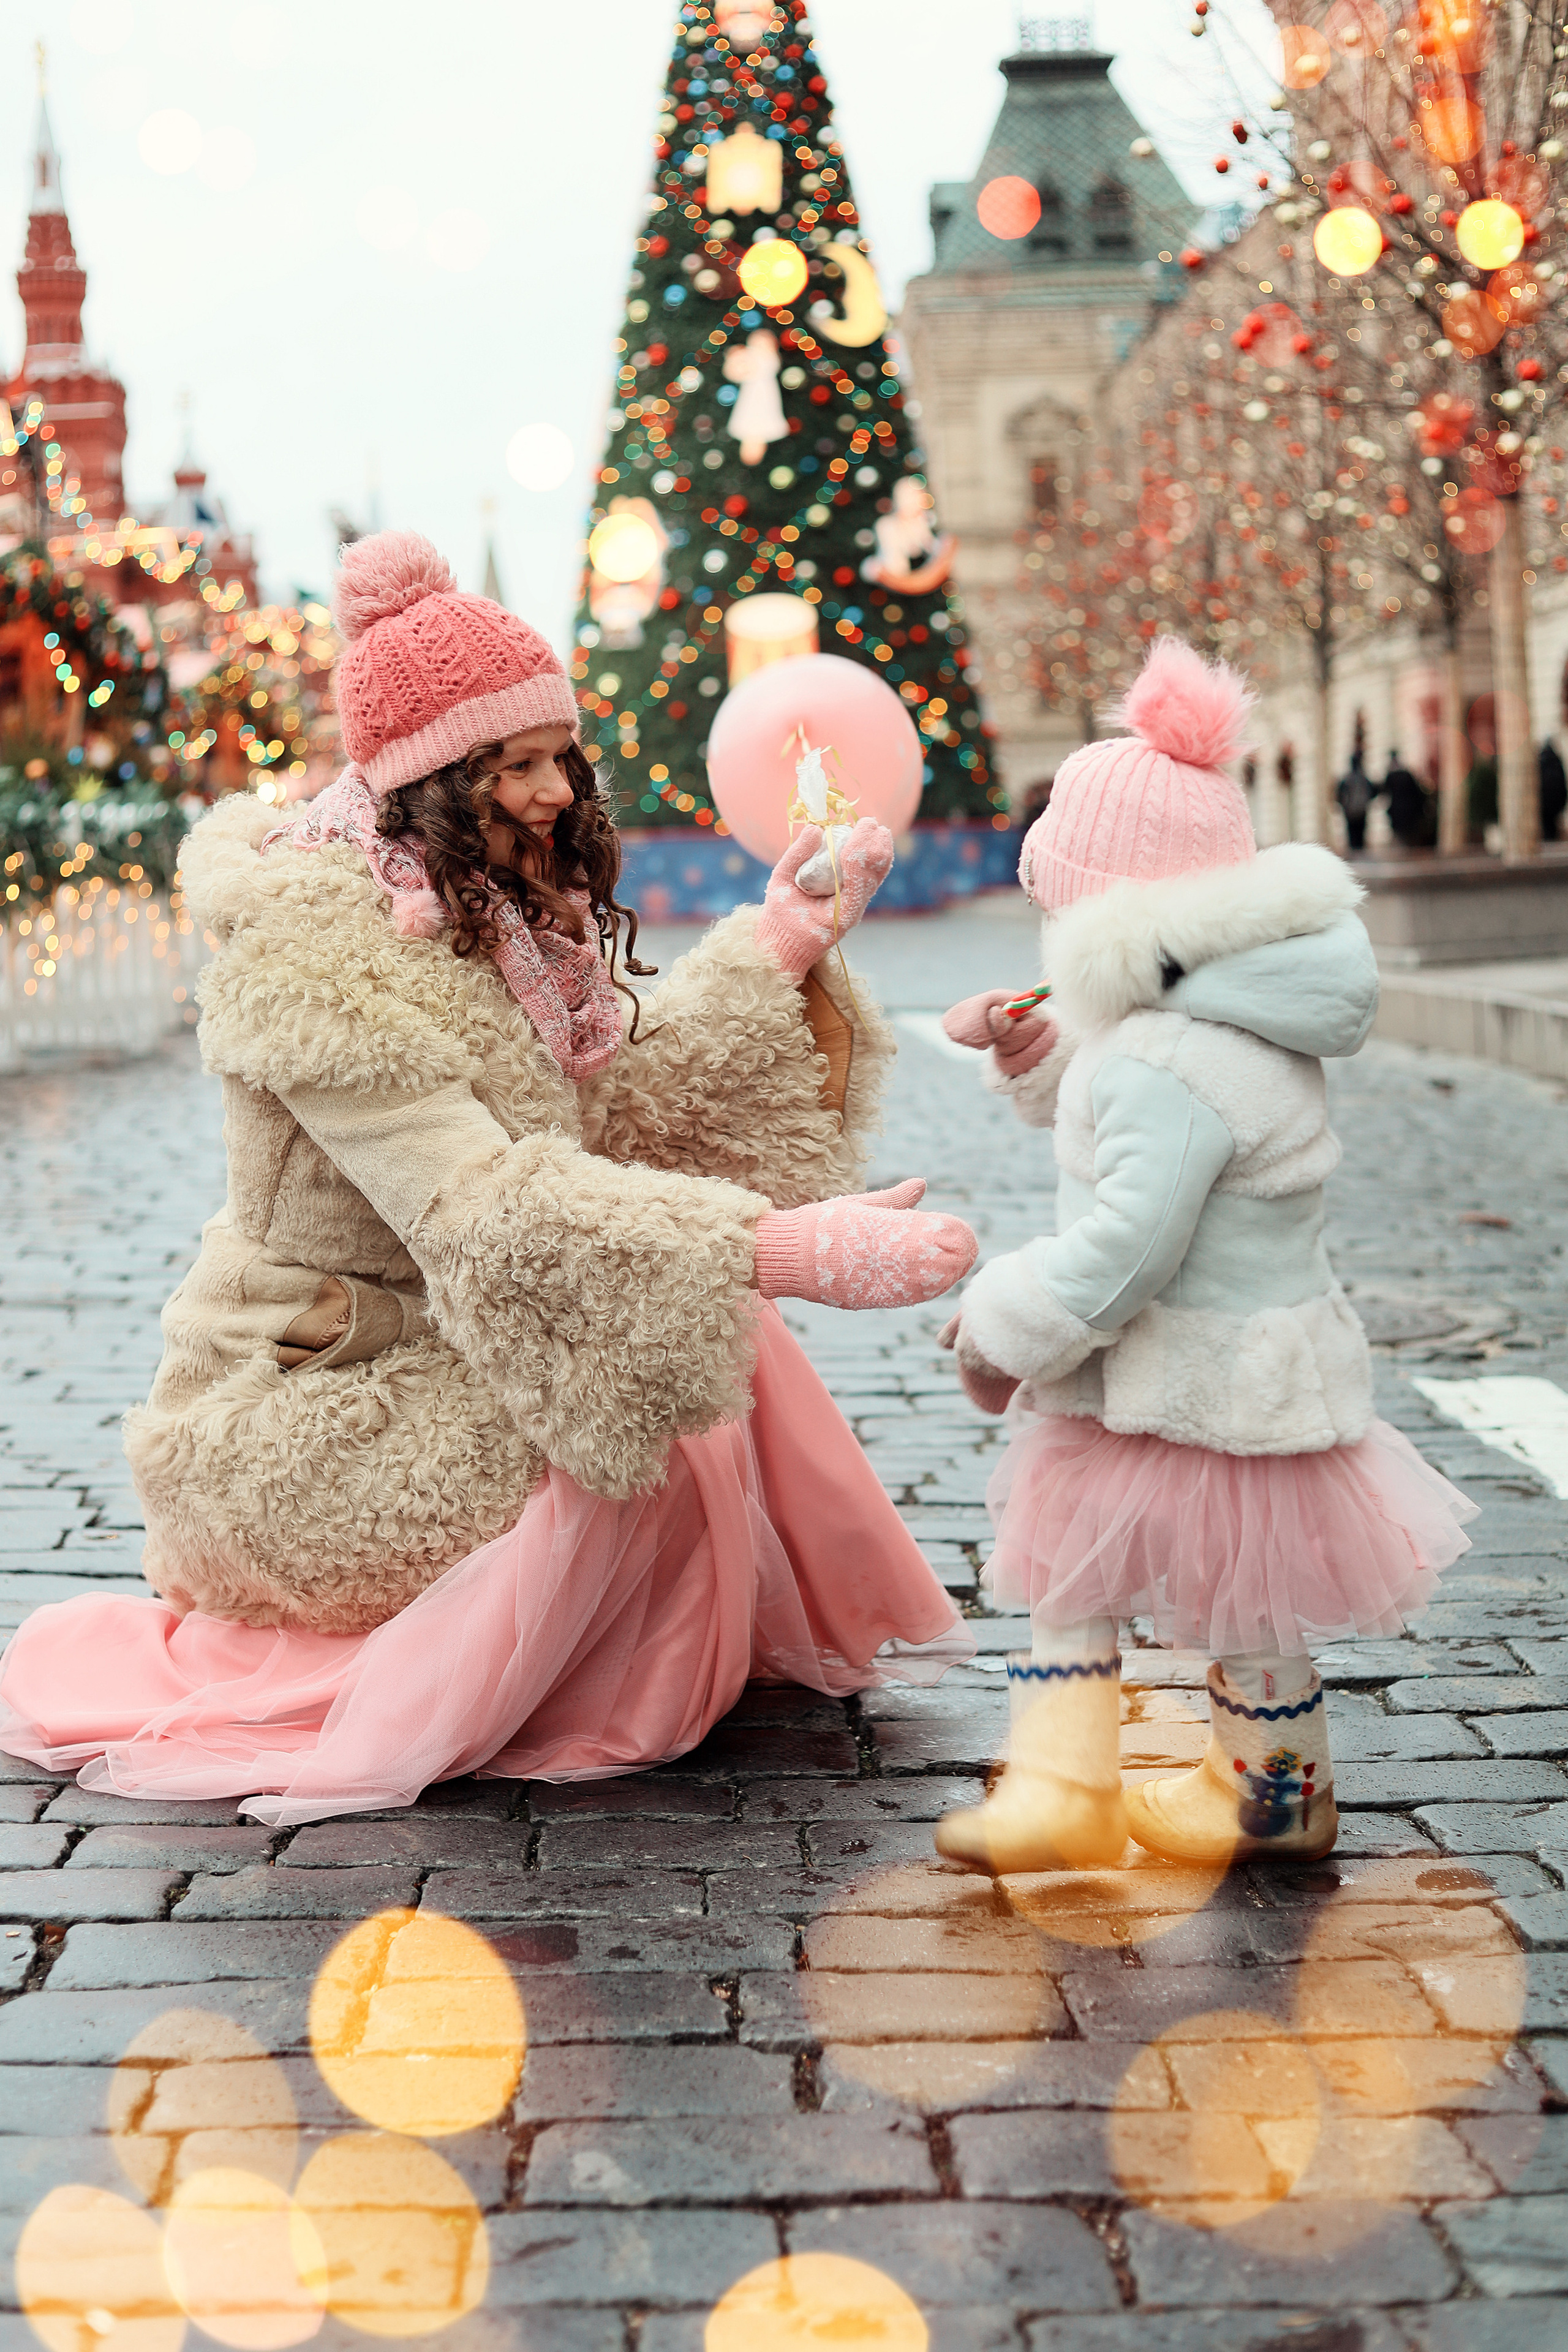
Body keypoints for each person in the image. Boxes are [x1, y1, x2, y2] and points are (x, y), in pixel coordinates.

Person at [0, 530, 977, 1821]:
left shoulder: (496, 920)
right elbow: (480, 1200)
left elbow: (615, 1114)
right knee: (642, 1372)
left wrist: (784, 941)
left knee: (689, 1341)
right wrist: (782, 1249)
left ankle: (617, 1654)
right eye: (511, 766)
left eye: (557, 755)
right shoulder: (319, 958)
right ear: (427, 784)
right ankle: (527, 1666)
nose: (556, 790)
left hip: (444, 1339)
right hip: (308, 1399)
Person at [930, 637, 1475, 1873]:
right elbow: (1145, 1102)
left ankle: (1066, 1792)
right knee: (1247, 1597)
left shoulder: (1163, 1063)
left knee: (1080, 1575)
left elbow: (1127, 1243)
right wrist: (1042, 1057)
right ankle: (1275, 1794)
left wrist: (1000, 1332)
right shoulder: (1219, 1014)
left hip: (1176, 1370)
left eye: (1060, 903)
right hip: (1248, 1362)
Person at [1382, 749, 1436, 850]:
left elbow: (1385, 793)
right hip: (1409, 812)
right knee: (1409, 839)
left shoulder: (1391, 776)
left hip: (1399, 813)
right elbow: (1417, 793)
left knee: (1403, 839)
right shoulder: (1406, 775)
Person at [1335, 747, 1374, 853]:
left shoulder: (1347, 779)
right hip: (1362, 810)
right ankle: (1360, 851)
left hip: (1350, 811)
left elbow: (1339, 794)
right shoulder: (1363, 778)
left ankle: (1355, 852)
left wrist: (1343, 805)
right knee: (1361, 832)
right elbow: (1372, 792)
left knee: (1352, 834)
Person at [1540, 738, 1567, 843]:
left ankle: (1549, 841)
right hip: (1556, 800)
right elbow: (1562, 781)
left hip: (1545, 800)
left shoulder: (1541, 760)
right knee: (1552, 824)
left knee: (1547, 825)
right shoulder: (1556, 761)